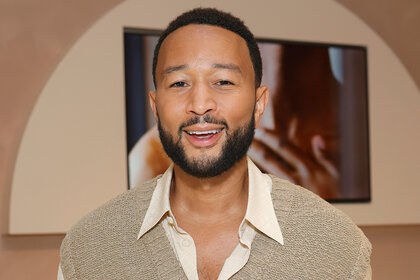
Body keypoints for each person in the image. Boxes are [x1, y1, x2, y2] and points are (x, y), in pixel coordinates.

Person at [59, 8, 371, 279]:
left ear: (259, 104)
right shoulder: (87, 247)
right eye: (179, 83)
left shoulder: (338, 245)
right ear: (155, 107)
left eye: (223, 81)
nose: (200, 104)